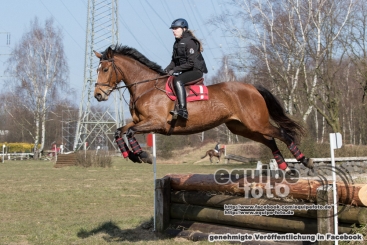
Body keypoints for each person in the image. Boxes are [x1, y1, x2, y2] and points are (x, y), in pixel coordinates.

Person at [165, 18, 208, 120]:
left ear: (184, 29)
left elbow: (191, 63)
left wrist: (175, 70)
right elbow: (173, 61)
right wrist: (165, 70)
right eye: (173, 29)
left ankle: (183, 110)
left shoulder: (190, 42)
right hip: (186, 70)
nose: (173, 31)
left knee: (178, 80)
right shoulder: (176, 43)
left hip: (195, 71)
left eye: (176, 28)